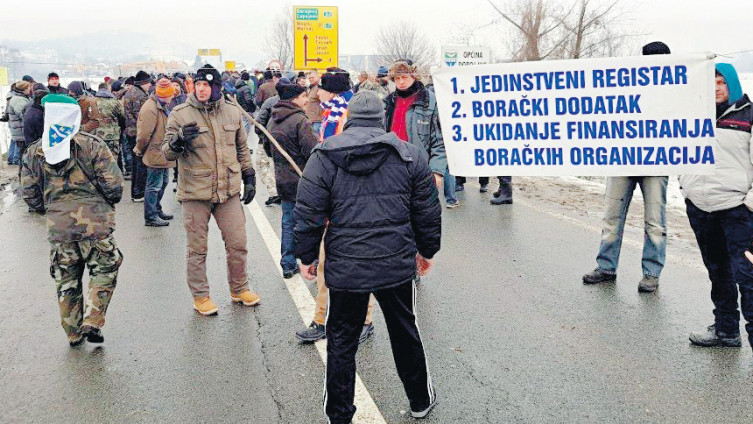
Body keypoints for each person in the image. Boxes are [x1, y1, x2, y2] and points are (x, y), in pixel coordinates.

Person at [295, 91, 441, 423]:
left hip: (347, 267)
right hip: (396, 264)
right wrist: (427, 250)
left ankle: (339, 414)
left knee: (342, 340)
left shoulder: (324, 156)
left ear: (348, 119)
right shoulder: (409, 155)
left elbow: (309, 213)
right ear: (381, 120)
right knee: (405, 331)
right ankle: (419, 400)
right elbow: (428, 211)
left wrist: (306, 256)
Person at [21, 94, 124, 346]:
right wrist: (106, 202)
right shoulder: (93, 145)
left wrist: (52, 210)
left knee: (66, 278)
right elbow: (114, 185)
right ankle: (93, 319)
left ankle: (73, 332)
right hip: (96, 224)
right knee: (105, 268)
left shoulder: (35, 151)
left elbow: (30, 194)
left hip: (60, 228)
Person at [162, 64, 259, 316]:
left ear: (216, 87)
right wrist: (178, 140)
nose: (201, 89)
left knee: (238, 243)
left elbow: (241, 148)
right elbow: (166, 152)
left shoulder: (232, 111)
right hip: (195, 192)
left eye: (207, 85)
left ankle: (239, 289)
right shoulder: (180, 114)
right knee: (197, 249)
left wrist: (249, 175)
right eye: (198, 85)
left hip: (228, 191)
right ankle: (201, 296)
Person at [582, 41, 671, 292]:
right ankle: (606, 267)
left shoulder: (677, 90)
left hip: (657, 161)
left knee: (655, 222)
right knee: (611, 216)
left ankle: (651, 273)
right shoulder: (626, 82)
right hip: (623, 158)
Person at [295, 67, 376, 344]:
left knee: (360, 266)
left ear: (332, 91)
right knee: (325, 265)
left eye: (322, 89)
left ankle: (364, 321)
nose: (316, 93)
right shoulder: (332, 112)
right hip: (334, 200)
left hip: (353, 202)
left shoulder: (344, 116)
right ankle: (321, 319)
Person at [681, 63, 753, 351]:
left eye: (721, 82)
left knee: (747, 278)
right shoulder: (691, 116)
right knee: (717, 271)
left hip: (738, 211)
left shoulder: (748, 115)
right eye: (710, 82)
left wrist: (748, 205)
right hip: (700, 208)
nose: (715, 88)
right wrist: (686, 187)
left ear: (731, 84)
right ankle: (726, 331)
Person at [266, 80, 317, 278]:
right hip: (303, 180)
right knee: (310, 223)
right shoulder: (299, 121)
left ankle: (288, 263)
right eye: (304, 96)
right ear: (295, 99)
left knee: (288, 222)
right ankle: (310, 261)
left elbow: (268, 149)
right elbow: (312, 151)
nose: (306, 100)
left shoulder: (274, 119)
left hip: (283, 179)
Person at [383, 60, 450, 203]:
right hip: (391, 166)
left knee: (423, 213)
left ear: (414, 76)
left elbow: (439, 139)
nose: (401, 82)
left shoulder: (430, 101)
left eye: (405, 77)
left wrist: (437, 171)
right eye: (397, 78)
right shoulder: (388, 101)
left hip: (419, 168)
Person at [135, 78, 176, 227]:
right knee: (153, 186)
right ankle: (150, 216)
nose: (173, 97)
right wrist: (140, 150)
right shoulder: (150, 109)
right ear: (165, 95)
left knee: (163, 182)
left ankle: (157, 210)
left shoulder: (160, 105)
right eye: (171, 95)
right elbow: (144, 135)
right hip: (155, 152)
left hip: (161, 152)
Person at [123, 70, 152, 200]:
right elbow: (142, 116)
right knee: (140, 164)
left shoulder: (130, 92)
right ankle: (139, 192)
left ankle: (136, 192)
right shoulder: (141, 96)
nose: (150, 86)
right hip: (137, 133)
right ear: (143, 83)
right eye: (148, 83)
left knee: (136, 163)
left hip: (130, 132)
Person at [89, 83, 126, 161]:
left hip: (96, 135)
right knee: (113, 159)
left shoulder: (92, 102)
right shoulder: (115, 102)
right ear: (108, 90)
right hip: (112, 135)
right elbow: (122, 117)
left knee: (99, 159)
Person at [6, 80, 32, 165]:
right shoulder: (19, 100)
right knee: (20, 151)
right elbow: (24, 115)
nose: (30, 89)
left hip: (18, 129)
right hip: (20, 129)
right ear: (24, 89)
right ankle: (17, 165)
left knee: (19, 149)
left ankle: (16, 163)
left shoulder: (20, 98)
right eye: (29, 88)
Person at [21, 84, 49, 156]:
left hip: (30, 144)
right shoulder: (37, 114)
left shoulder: (31, 107)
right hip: (34, 147)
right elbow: (41, 133)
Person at [304, 69, 324, 134]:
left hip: (317, 121)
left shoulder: (319, 88)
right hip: (311, 120)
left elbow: (324, 103)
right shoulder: (312, 88)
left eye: (312, 77)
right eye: (309, 78)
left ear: (318, 77)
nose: (310, 79)